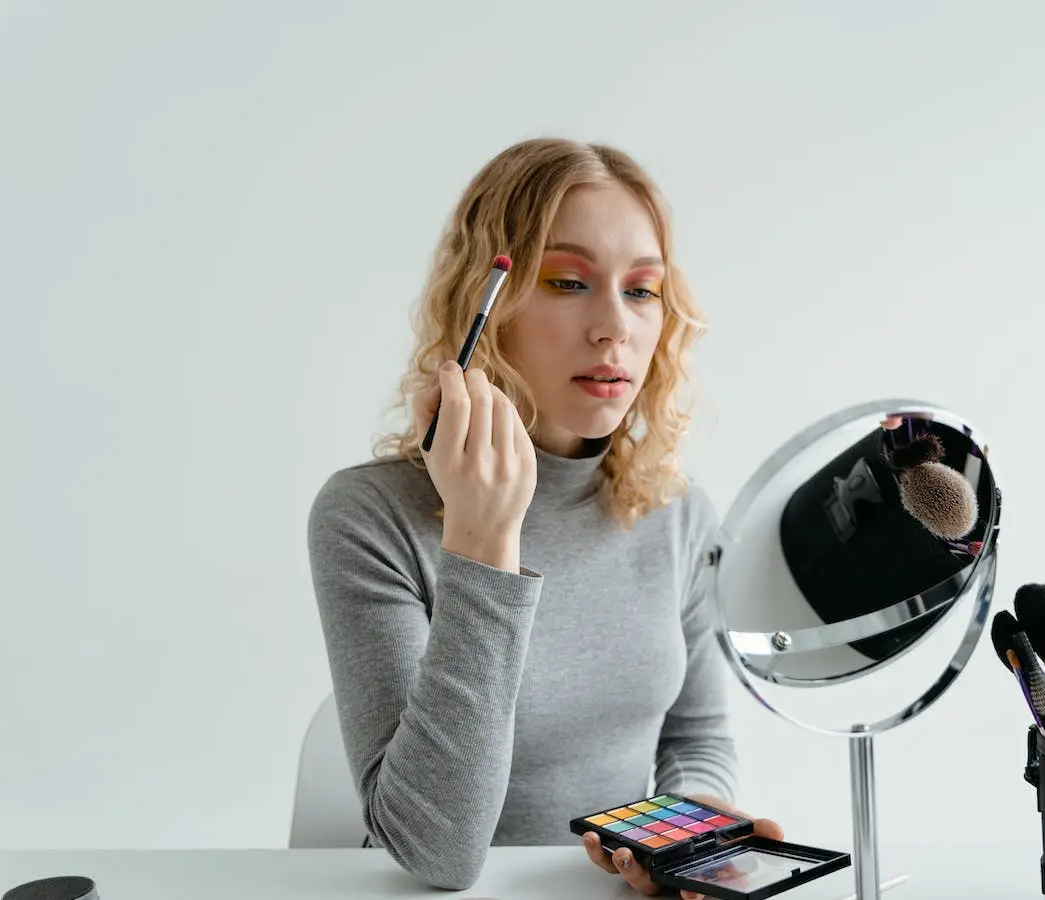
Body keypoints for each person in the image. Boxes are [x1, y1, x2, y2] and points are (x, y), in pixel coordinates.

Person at [306, 137, 782, 896]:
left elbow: (695, 734)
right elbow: (438, 852)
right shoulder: (369, 516)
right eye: (567, 281)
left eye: (642, 290)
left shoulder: (680, 514)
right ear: (483, 311)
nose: (613, 327)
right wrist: (483, 540)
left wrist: (694, 829)